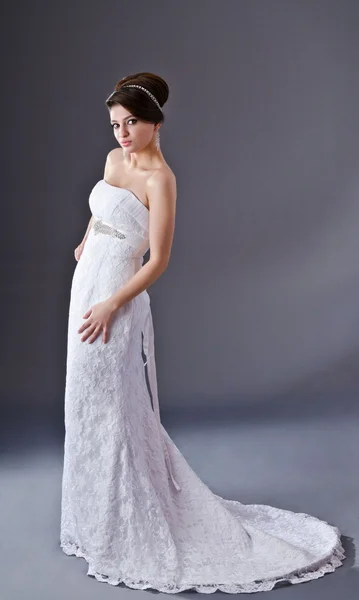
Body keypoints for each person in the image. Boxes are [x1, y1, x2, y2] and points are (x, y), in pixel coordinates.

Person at [60, 71, 345, 593]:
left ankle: (129, 519)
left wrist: (111, 304)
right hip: (87, 285)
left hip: (114, 300)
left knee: (114, 405)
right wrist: (86, 241)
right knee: (82, 401)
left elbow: (159, 259)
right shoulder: (112, 161)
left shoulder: (160, 180)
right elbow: (99, 208)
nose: (122, 134)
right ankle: (94, 517)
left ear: (154, 123)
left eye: (131, 123)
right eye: (115, 125)